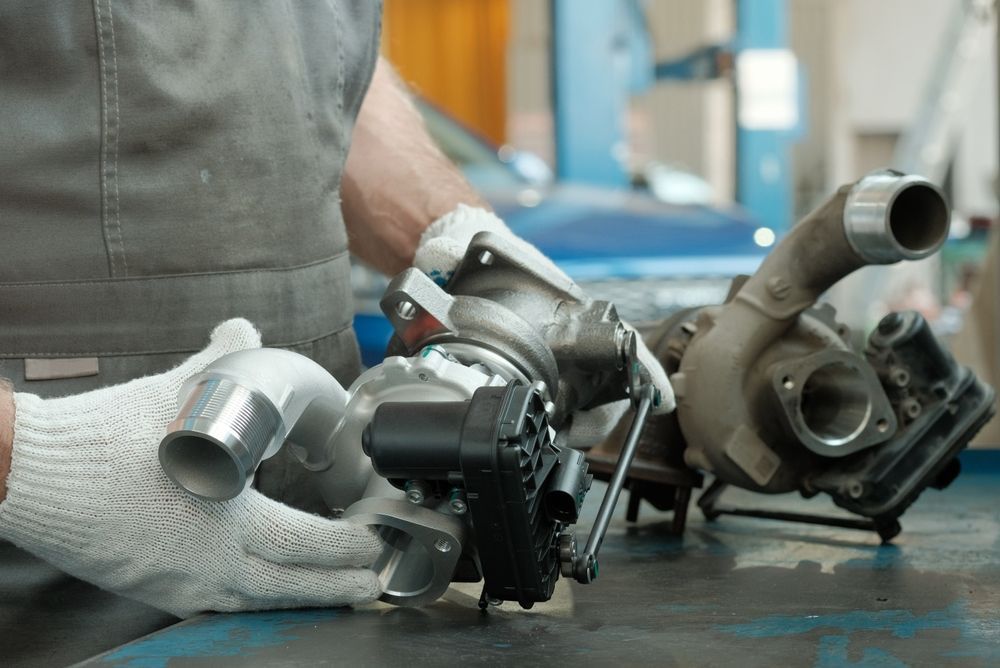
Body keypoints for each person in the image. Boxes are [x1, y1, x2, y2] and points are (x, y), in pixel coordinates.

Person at [0, 3, 673, 664]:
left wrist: (465, 246)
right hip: (54, 566)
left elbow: (323, 72)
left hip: (321, 542)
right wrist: (33, 463)